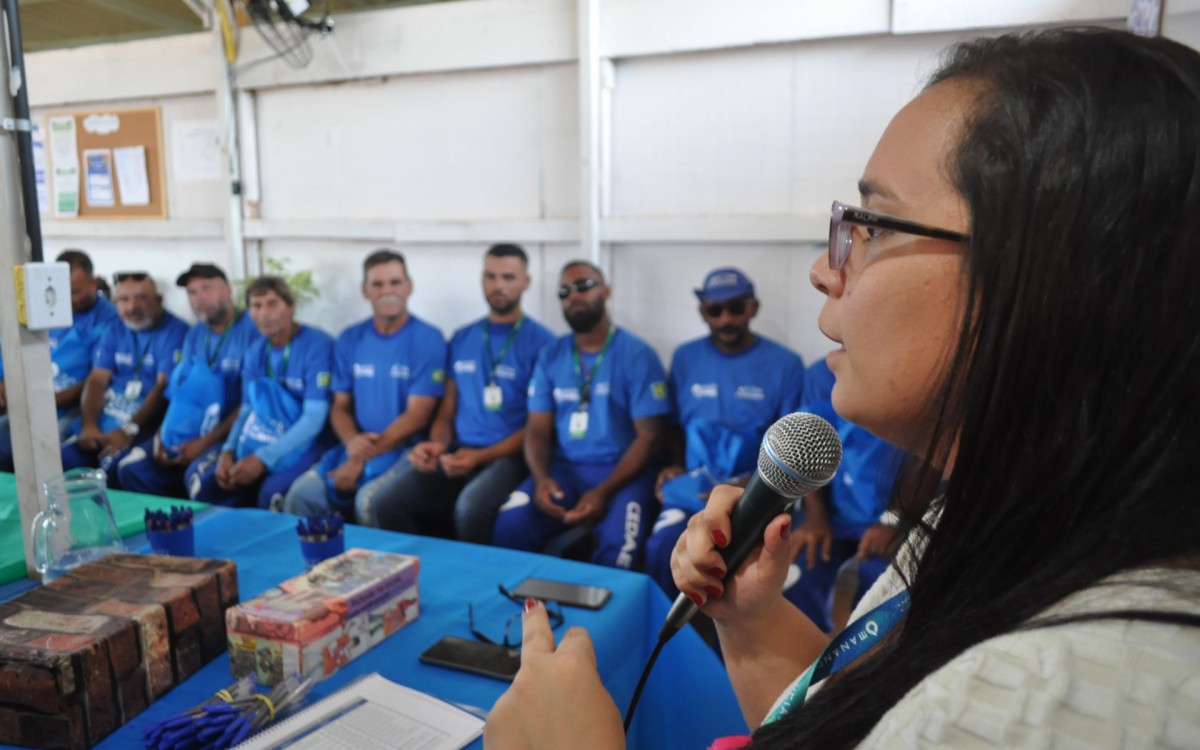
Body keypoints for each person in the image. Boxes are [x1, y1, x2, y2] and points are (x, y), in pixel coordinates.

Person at [484, 29, 1200, 748]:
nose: (825, 271)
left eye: (873, 228)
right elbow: (856, 723)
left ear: (1049, 281)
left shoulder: (1034, 706)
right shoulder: (994, 517)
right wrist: (751, 618)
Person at [367, 244, 554, 541]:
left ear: (526, 282)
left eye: (508, 277)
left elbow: (539, 427)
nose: (498, 285)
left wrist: (480, 456)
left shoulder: (544, 344)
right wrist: (437, 445)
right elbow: (446, 412)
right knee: (386, 502)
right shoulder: (463, 337)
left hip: (509, 456)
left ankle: (471, 573)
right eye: (490, 276)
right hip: (459, 451)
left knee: (471, 508)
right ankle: (416, 568)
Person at [492, 261, 669, 569]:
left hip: (623, 475)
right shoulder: (551, 355)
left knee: (620, 554)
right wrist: (542, 479)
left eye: (583, 286)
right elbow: (537, 430)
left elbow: (650, 438)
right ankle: (523, 601)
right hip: (566, 471)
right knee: (511, 522)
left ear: (606, 291)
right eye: (564, 292)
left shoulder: (638, 355)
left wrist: (603, 492)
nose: (573, 296)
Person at [644, 267, 805, 598]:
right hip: (695, 491)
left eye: (736, 307)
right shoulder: (685, 357)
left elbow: (793, 444)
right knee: (662, 547)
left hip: (756, 491)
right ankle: (669, 628)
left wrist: (754, 484)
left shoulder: (786, 364)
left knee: (754, 570)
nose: (726, 319)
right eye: (715, 310)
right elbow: (673, 427)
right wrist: (676, 466)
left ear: (753, 308)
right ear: (703, 312)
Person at [283, 250, 446, 523]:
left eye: (395, 282)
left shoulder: (428, 338)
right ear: (365, 290)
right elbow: (339, 406)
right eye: (378, 284)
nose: (387, 291)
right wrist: (351, 443)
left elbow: (418, 414)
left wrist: (359, 459)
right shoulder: (350, 339)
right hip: (354, 445)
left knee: (369, 503)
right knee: (301, 495)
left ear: (409, 286)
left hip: (404, 449)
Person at [117, 263, 260, 498]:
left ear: (228, 291)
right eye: (192, 292)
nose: (199, 298)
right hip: (190, 427)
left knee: (200, 481)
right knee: (132, 469)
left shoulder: (253, 331)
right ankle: (164, 521)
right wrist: (162, 435)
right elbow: (178, 391)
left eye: (206, 288)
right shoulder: (195, 333)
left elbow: (250, 405)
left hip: (229, 432)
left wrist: (205, 442)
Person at [191, 276, 334, 508]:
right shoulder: (255, 352)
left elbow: (314, 419)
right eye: (256, 306)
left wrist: (262, 458)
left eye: (272, 303)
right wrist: (228, 451)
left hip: (310, 440)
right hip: (265, 433)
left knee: (272, 494)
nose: (264, 313)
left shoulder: (317, 346)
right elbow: (247, 410)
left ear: (291, 307)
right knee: (206, 482)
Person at [785, 357, 900, 633]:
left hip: (895, 512)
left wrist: (895, 520)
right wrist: (815, 517)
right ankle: (808, 650)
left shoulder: (907, 367)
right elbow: (808, 446)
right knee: (799, 567)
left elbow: (927, 457)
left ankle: (864, 653)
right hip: (833, 512)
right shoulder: (821, 375)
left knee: (882, 583)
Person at [60, 272, 187, 484]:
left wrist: (129, 430)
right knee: (64, 458)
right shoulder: (115, 328)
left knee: (114, 469)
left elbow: (162, 387)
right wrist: (89, 425)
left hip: (145, 424)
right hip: (105, 419)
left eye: (141, 298)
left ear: (158, 300)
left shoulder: (176, 331)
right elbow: (97, 379)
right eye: (124, 299)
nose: (132, 307)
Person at [0, 249, 118, 471]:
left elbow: (98, 378)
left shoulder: (108, 320)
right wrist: (7, 387)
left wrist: (45, 401)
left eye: (74, 292)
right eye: (62, 290)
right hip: (28, 399)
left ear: (94, 283)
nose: (67, 299)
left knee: (39, 448)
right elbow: (13, 352)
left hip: (70, 406)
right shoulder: (46, 306)